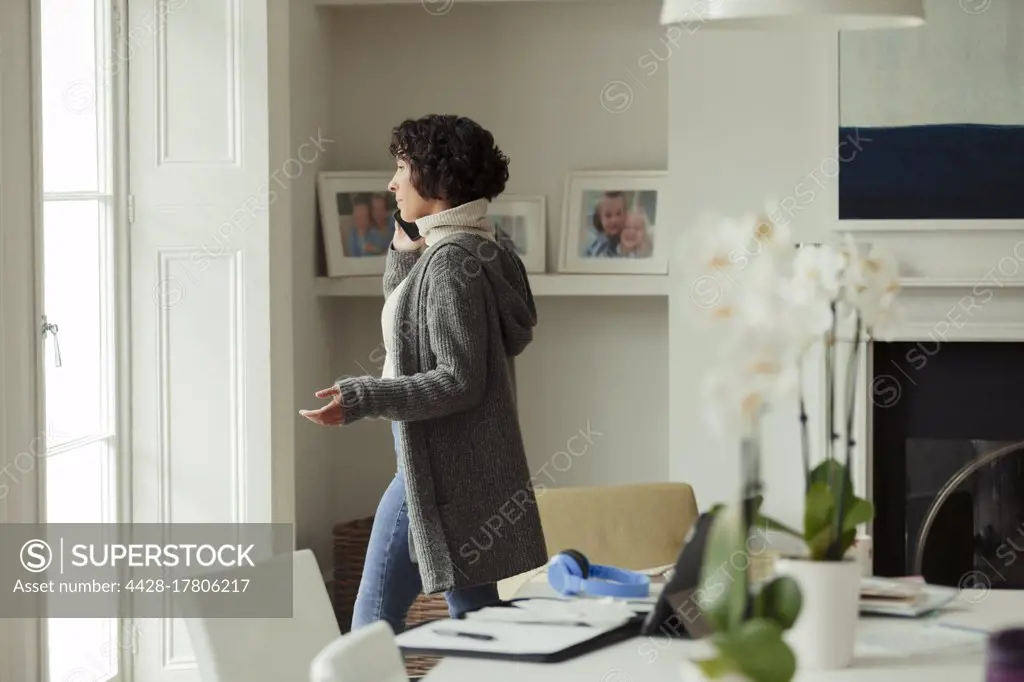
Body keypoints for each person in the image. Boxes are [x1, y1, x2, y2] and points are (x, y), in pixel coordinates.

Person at [300, 114, 548, 634]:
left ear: (437, 178)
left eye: (401, 166)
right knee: (478, 622)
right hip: (455, 469)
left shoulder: (451, 263)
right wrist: (404, 254)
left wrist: (362, 396)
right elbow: (413, 325)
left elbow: (458, 379)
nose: (391, 182)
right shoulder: (482, 246)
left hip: (433, 476)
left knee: (372, 623)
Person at [583, 191, 627, 257]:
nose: (614, 220)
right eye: (608, 215)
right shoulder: (596, 247)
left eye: (618, 214)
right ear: (600, 219)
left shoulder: (628, 238)